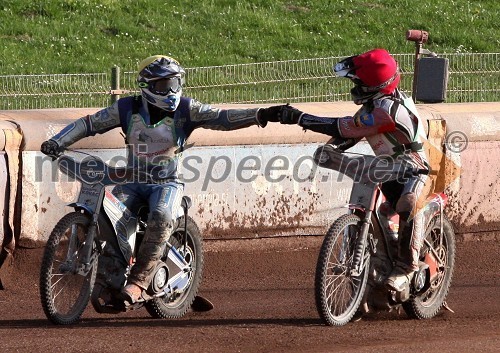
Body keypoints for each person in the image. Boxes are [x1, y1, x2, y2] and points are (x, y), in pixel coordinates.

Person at [41, 55, 282, 306]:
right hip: (131, 180)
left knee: (161, 216)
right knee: (110, 221)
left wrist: (261, 114)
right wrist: (58, 141)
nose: (172, 91)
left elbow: (223, 118)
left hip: (167, 182)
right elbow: (89, 123)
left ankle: (139, 282)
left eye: (175, 83)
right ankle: (109, 282)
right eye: (164, 85)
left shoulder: (187, 109)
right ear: (146, 86)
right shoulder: (126, 108)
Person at [271, 49, 431, 293]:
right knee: (382, 211)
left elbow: (343, 128)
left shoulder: (386, 111)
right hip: (387, 171)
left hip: (413, 170)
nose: (355, 86)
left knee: (407, 205)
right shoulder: (373, 107)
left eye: (359, 81)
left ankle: (407, 268)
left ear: (375, 84)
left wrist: (299, 118)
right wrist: (331, 150)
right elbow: (348, 135)